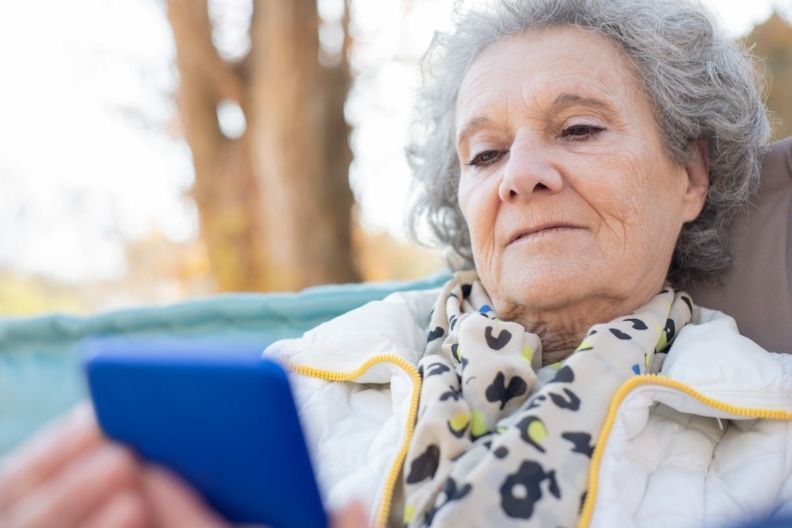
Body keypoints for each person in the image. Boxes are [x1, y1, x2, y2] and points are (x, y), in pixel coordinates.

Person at [2, 0, 791, 527]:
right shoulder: (302, 386)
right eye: (485, 153)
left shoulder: (773, 433)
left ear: (691, 175)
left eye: (579, 129)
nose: (520, 174)